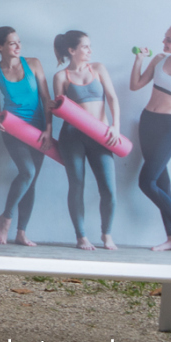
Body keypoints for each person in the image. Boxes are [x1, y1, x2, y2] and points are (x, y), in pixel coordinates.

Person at [50, 30, 119, 250]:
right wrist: (53, 108)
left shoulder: (98, 69)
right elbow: (59, 111)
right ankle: (81, 237)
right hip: (72, 137)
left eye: (90, 46)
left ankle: (106, 234)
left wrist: (115, 127)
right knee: (77, 185)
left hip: (101, 135)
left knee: (109, 189)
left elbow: (112, 98)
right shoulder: (61, 77)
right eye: (85, 47)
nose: (90, 50)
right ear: (72, 50)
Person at [0, 26, 50, 247]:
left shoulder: (34, 64)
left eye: (19, 42)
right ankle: (6, 217)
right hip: (13, 129)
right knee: (27, 172)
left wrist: (49, 129)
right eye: (12, 43)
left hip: (38, 130)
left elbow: (46, 99)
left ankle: (21, 233)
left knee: (31, 182)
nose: (18, 46)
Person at [130, 25, 171, 252]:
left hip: (169, 127)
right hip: (147, 122)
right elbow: (135, 86)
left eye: (169, 40)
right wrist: (139, 60)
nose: (163, 43)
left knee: (146, 182)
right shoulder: (160, 60)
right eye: (164, 38)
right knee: (161, 182)